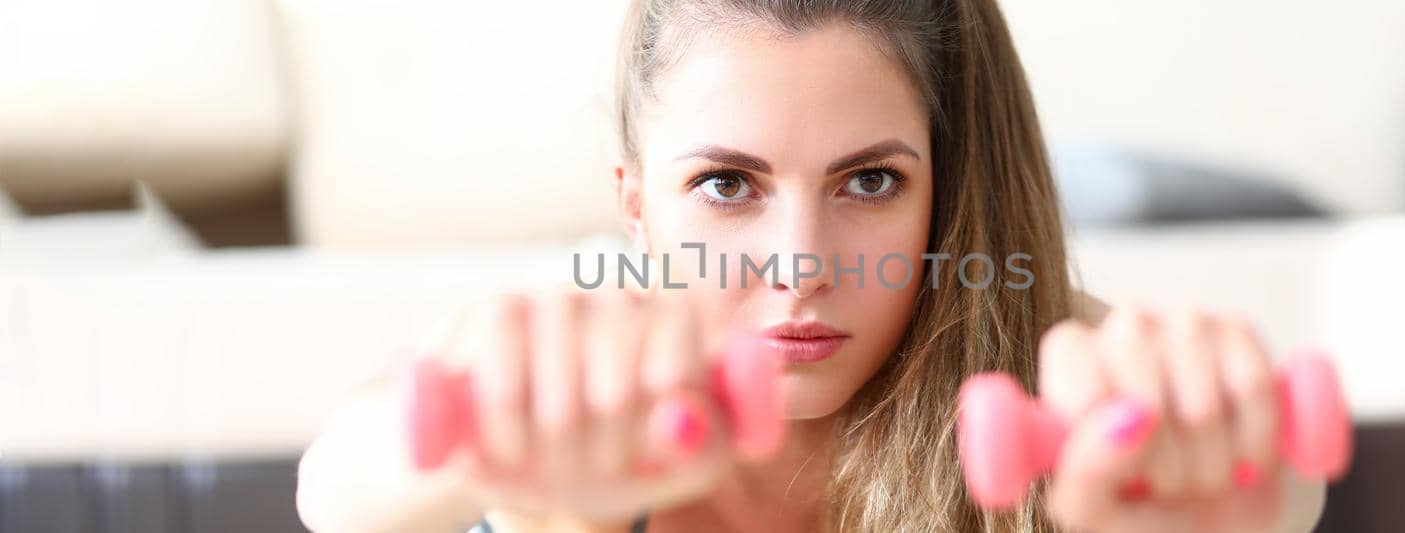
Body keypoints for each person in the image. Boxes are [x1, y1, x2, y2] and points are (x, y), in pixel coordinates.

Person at [295, 0, 1327, 531]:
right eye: (728, 185)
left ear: (944, 184)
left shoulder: (1065, 373)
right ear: (633, 200)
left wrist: (1214, 480)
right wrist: (499, 463)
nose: (800, 266)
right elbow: (338, 486)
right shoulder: (558, 384)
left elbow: (1285, 488)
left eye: (869, 182)